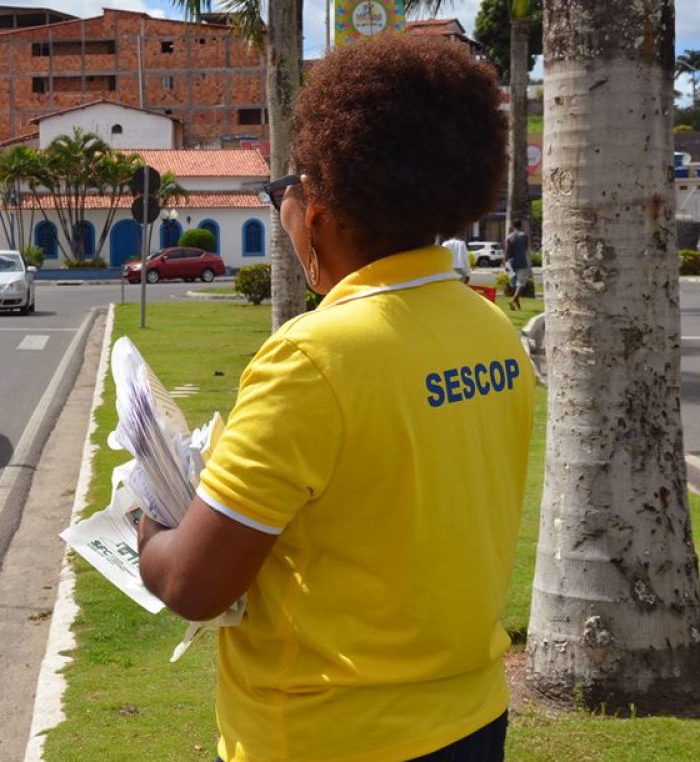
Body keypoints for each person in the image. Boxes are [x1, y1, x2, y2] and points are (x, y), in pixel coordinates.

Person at [137, 33, 533, 762]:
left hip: (328, 737)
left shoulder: (312, 359)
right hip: (472, 719)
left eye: (282, 191)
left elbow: (192, 584)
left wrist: (145, 525)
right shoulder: (490, 328)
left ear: (315, 206)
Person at [504, 220, 531, 311]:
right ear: (521, 225)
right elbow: (526, 247)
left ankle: (515, 302)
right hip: (522, 261)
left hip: (511, 262)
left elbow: (507, 251)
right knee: (521, 283)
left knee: (513, 283)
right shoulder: (524, 236)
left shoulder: (509, 237)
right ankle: (514, 299)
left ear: (512, 226)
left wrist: (505, 262)